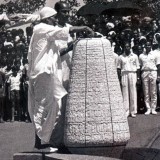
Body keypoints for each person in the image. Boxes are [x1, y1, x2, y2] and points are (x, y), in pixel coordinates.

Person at [27, 6, 94, 152]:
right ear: (47, 18)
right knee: (42, 107)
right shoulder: (41, 28)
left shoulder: (46, 30)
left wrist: (74, 43)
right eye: (54, 17)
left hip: (51, 73)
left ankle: (47, 140)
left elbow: (58, 50)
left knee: (54, 108)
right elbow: (65, 33)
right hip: (43, 73)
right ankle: (41, 143)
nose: (56, 19)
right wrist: (84, 27)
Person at [117, 42, 140, 117]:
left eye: (128, 47)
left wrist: (138, 78)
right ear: (123, 48)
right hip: (124, 74)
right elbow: (119, 68)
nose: (126, 48)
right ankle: (126, 111)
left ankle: (133, 111)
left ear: (130, 47)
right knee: (125, 93)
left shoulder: (135, 56)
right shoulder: (121, 57)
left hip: (132, 73)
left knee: (133, 92)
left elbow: (138, 68)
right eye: (125, 47)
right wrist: (119, 79)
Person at [139, 41, 160, 115]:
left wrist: (158, 76)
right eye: (146, 45)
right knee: (146, 91)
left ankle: (153, 108)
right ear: (144, 46)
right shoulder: (141, 55)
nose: (147, 46)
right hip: (145, 72)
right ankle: (148, 108)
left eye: (149, 45)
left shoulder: (155, 54)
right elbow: (140, 66)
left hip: (153, 72)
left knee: (153, 91)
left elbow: (158, 66)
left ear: (151, 46)